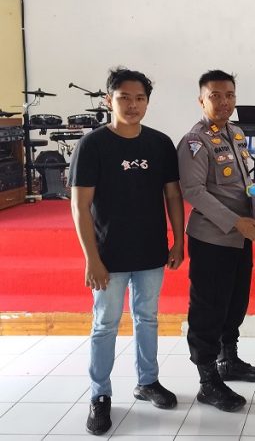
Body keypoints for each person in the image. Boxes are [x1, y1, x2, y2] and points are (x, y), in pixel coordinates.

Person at [69, 67, 184, 436]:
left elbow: (172, 195)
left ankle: (147, 381)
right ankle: (99, 394)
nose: (132, 105)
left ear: (147, 102)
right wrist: (92, 258)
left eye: (139, 98)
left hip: (151, 251)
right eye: (124, 98)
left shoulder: (160, 143)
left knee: (147, 318)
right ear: (109, 100)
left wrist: (178, 240)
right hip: (108, 255)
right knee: (105, 324)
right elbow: (79, 206)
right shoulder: (93, 145)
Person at [177, 69, 255, 413]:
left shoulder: (236, 133)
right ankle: (207, 381)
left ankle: (229, 360)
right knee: (208, 308)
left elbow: (244, 184)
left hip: (241, 237)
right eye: (215, 96)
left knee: (235, 303)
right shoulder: (194, 141)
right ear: (202, 100)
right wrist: (236, 222)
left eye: (229, 95)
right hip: (213, 238)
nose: (224, 102)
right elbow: (193, 191)